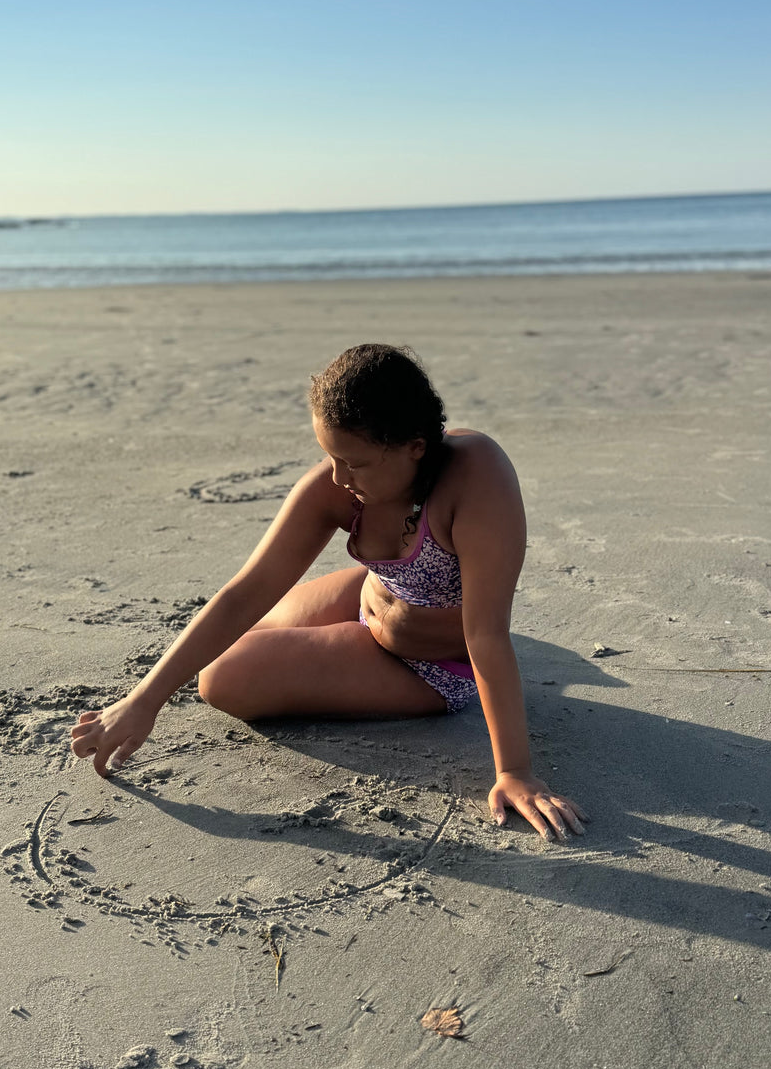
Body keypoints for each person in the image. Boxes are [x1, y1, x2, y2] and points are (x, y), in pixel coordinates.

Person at [69, 344, 585, 843]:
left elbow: (487, 635)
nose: (338, 477)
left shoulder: (476, 479)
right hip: (369, 599)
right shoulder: (342, 485)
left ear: (414, 447)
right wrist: (142, 702)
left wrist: (515, 771)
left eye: (354, 462)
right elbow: (246, 592)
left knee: (224, 677)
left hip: (433, 665)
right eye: (328, 455)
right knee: (241, 631)